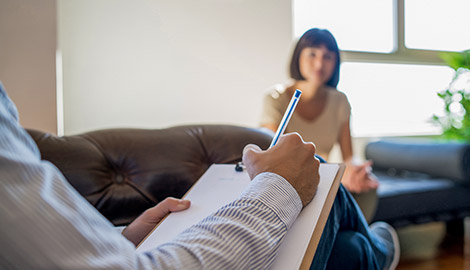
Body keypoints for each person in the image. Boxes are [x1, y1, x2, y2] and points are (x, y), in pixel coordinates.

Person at [0, 82, 398, 269]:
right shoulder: (279, 96)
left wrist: (120, 240)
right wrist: (278, 187)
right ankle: (382, 251)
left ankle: (376, 250)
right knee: (328, 203)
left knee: (342, 244)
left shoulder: (338, 100)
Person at [260, 28, 379, 221]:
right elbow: (274, 156)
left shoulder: (340, 101)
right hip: (289, 181)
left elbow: (349, 156)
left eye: (328, 57)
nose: (319, 63)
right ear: (298, 56)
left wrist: (356, 170)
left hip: (323, 179)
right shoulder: (276, 98)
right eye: (312, 54)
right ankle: (377, 247)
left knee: (366, 186)